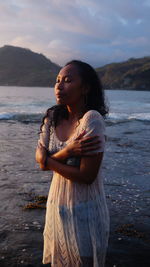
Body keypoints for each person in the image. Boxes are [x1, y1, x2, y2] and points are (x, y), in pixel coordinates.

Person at [35, 60, 109, 267]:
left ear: (85, 87)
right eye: (57, 80)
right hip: (56, 206)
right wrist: (67, 151)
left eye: (68, 80)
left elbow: (86, 176)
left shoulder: (91, 120)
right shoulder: (52, 116)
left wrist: (47, 160)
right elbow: (40, 162)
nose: (59, 85)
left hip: (86, 209)